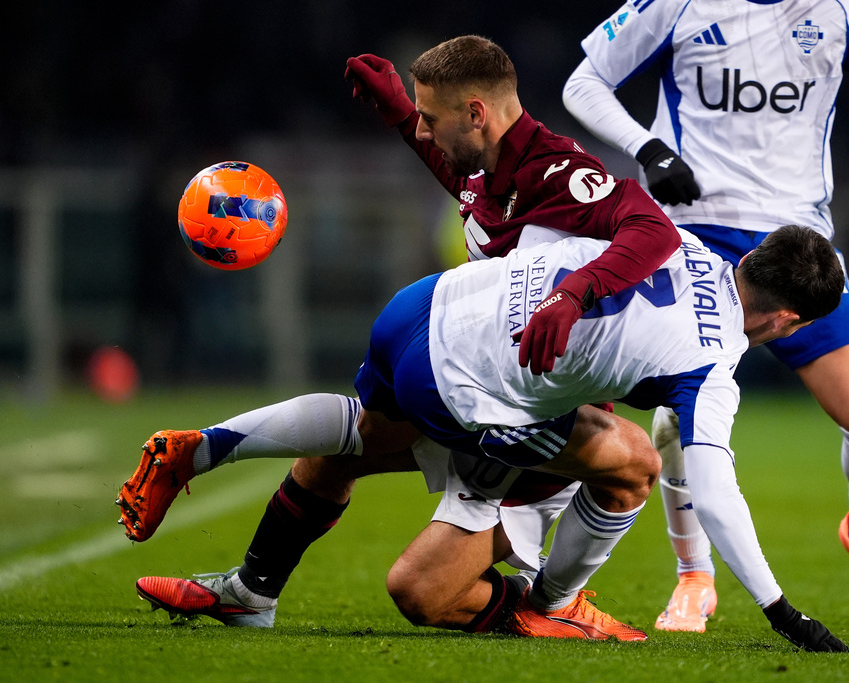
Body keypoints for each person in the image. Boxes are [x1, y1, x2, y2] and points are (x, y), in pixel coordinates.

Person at [119, 35, 682, 637]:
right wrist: (396, 111)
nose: (421, 132)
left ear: (476, 113)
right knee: (332, 458)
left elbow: (653, 229)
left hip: (532, 417)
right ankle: (250, 591)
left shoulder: (561, 174)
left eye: (429, 119)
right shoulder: (489, 168)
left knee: (424, 585)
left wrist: (575, 295)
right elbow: (466, 185)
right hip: (475, 380)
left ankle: (551, 603)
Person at [129, 225, 849, 651]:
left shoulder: (674, 234)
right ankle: (555, 600)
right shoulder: (714, 362)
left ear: (752, 255)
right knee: (630, 461)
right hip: (472, 390)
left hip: (428, 305)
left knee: (360, 433)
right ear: (787, 319)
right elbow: (716, 496)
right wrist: (781, 610)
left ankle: (240, 546)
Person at [561, 0, 849, 634]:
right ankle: (694, 577)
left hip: (801, 248)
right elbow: (583, 82)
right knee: (676, 420)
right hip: (697, 233)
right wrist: (649, 149)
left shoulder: (846, 11)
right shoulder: (675, 5)